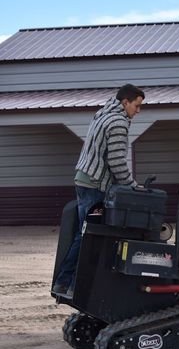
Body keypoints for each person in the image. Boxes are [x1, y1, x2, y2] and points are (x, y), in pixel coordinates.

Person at [52, 83, 145, 296]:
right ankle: (74, 286)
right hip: (95, 186)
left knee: (83, 234)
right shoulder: (118, 121)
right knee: (90, 238)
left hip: (83, 181)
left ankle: (66, 284)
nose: (138, 111)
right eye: (137, 106)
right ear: (125, 102)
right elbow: (116, 161)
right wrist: (132, 186)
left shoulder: (102, 113)